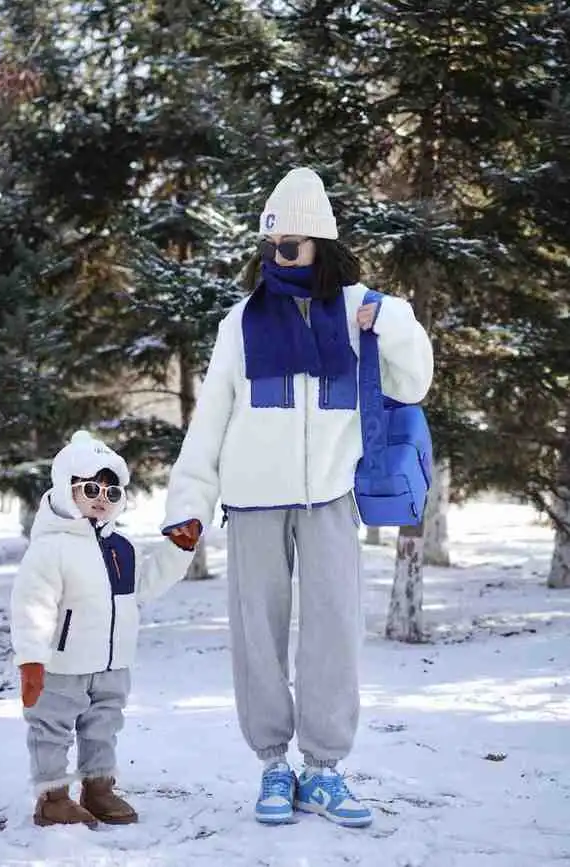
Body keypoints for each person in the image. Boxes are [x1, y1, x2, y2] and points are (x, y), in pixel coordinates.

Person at [163, 167, 434, 827]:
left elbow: (416, 378)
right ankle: (272, 767)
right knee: (257, 636)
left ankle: (324, 769)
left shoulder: (359, 312)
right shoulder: (240, 323)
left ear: (320, 245)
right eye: (270, 246)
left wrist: (391, 317)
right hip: (254, 501)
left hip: (330, 500)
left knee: (335, 632)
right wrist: (187, 503)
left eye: (289, 246)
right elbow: (211, 421)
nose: (276, 257)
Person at [11, 430, 198, 828]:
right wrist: (31, 659)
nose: (102, 498)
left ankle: (98, 788)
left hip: (112, 663)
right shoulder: (51, 548)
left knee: (103, 727)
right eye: (92, 488)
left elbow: (143, 587)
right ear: (66, 488)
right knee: (52, 729)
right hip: (62, 665)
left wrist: (178, 550)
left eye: (112, 493)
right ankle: (52, 797)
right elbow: (31, 605)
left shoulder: (122, 548)